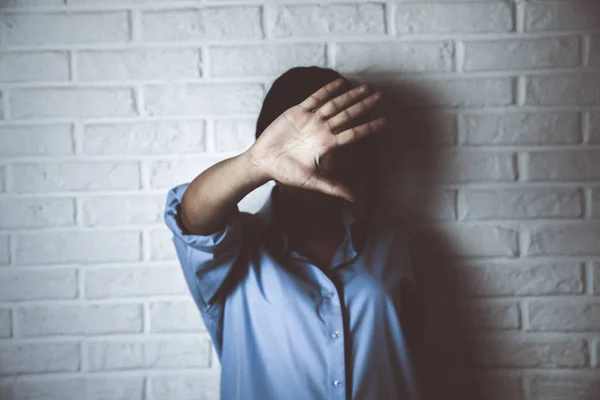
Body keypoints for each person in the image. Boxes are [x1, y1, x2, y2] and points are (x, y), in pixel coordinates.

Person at [164, 66, 423, 400]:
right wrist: (255, 163)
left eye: (337, 136)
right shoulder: (236, 251)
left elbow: (409, 360)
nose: (320, 154)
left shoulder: (391, 243)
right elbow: (192, 218)